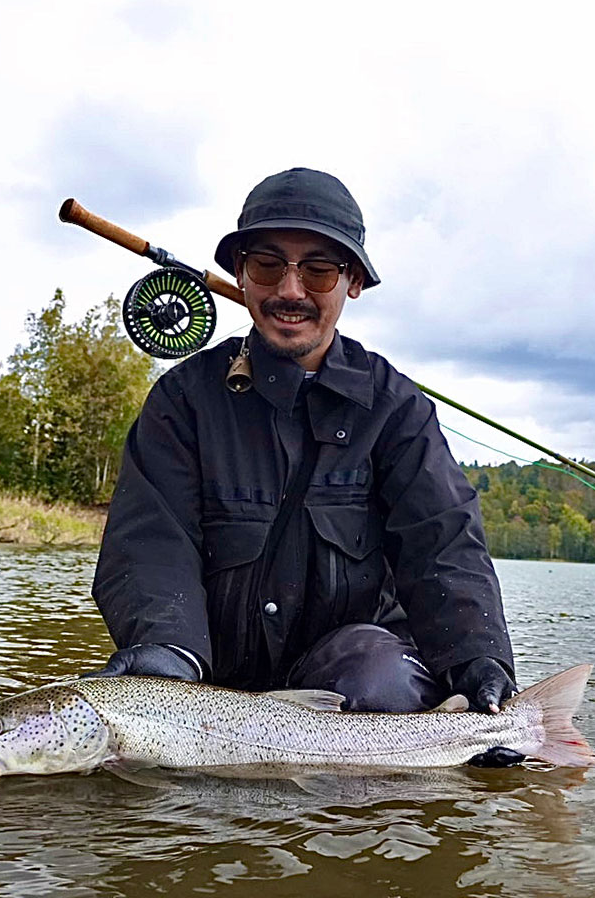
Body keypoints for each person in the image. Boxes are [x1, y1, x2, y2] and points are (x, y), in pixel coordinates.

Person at [90, 168, 522, 766]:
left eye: (318, 270)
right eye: (267, 265)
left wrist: (477, 659)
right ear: (242, 274)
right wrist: (165, 655)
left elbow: (442, 543)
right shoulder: (182, 401)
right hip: (210, 682)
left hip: (351, 678)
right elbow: (150, 544)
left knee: (385, 680)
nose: (290, 290)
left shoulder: (397, 410)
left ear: (354, 283)